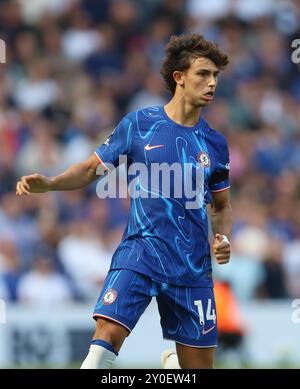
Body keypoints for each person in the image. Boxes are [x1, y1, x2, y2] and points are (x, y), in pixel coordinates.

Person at [16, 33, 232, 369]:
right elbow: (91, 170)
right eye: (203, 74)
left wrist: (222, 237)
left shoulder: (215, 144)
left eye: (215, 75)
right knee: (104, 343)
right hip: (140, 253)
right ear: (179, 77)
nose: (212, 83)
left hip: (191, 266)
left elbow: (220, 205)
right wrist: (52, 183)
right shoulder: (140, 125)